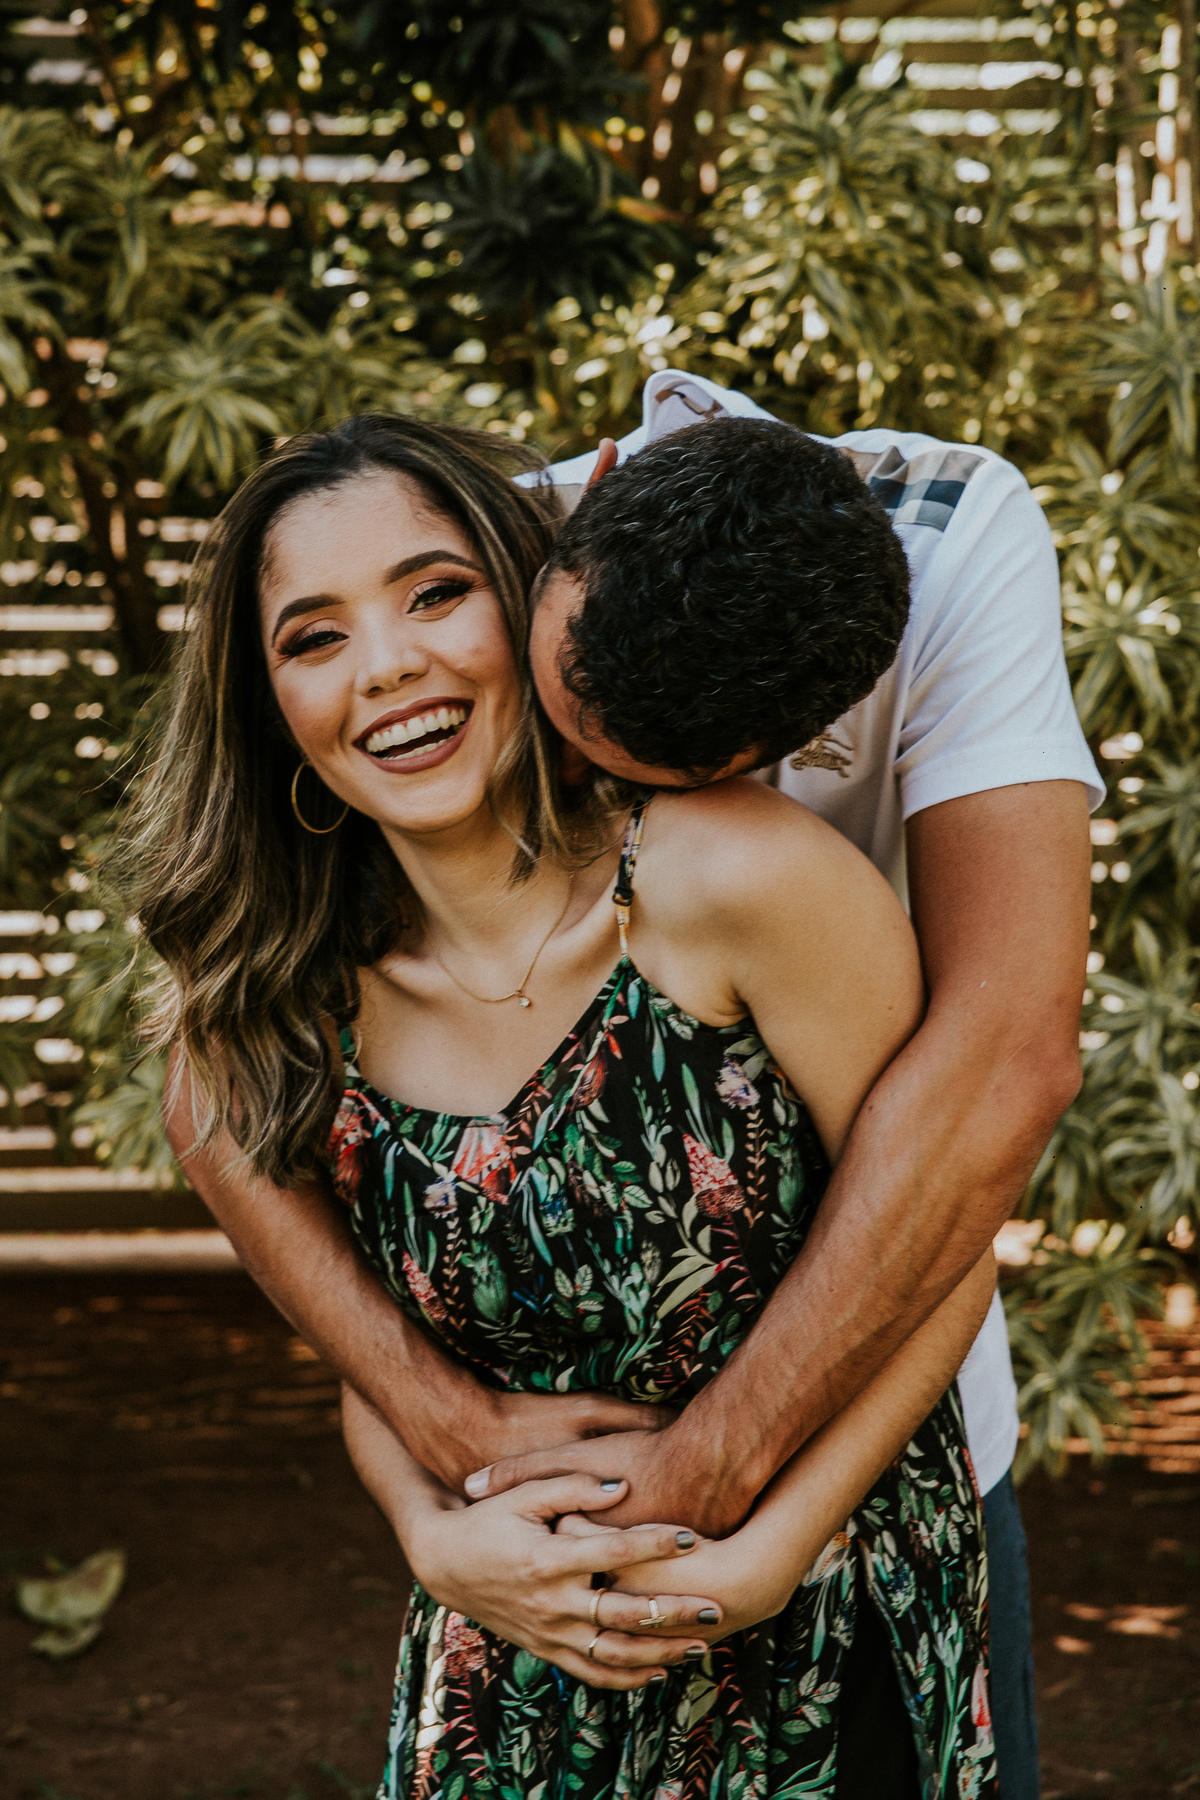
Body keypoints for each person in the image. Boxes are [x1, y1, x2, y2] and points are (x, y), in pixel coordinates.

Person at [164, 376, 1099, 1799]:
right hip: (514, 1647)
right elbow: (378, 1327)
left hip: (823, 1584)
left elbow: (965, 1175)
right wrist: (436, 1522)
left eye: (433, 600)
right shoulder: (309, 995)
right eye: (314, 638)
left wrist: (745, 1537)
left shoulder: (749, 852)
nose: (387, 665)